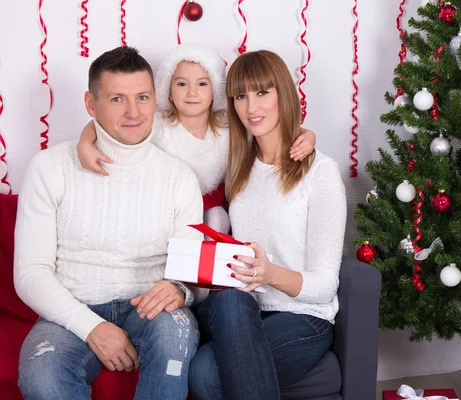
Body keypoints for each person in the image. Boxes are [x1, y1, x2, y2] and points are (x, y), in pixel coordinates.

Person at [14, 46, 204, 400]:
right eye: (117, 99)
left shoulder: (178, 177)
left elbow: (190, 272)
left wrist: (180, 288)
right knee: (42, 376)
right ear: (91, 104)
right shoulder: (50, 167)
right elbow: (30, 272)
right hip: (70, 308)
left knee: (174, 343)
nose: (134, 112)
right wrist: (92, 327)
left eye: (143, 97)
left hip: (149, 309)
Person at [188, 50, 347, 400]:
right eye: (241, 96)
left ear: (283, 95)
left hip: (303, 317)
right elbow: (166, 131)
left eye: (262, 92)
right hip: (245, 311)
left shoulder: (320, 173)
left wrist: (268, 273)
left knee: (206, 376)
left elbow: (323, 285)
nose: (251, 107)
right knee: (228, 300)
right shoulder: (239, 168)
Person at [77, 44, 316, 235]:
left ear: (215, 91)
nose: (192, 93)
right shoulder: (160, 125)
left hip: (215, 212)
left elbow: (270, 130)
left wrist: (307, 135)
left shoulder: (228, 128)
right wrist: (85, 143)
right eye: (181, 84)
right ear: (168, 91)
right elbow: (111, 125)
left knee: (218, 221)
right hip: (169, 211)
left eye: (202, 84)